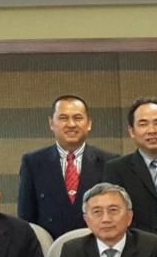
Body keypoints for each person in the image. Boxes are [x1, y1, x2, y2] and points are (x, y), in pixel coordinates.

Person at [101, 97, 157, 255]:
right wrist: (154, 244)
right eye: (143, 124)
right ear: (132, 131)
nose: (152, 130)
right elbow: (117, 214)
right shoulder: (116, 169)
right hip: (138, 253)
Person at [16, 95, 117, 237]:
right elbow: (26, 217)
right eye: (63, 118)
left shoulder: (111, 162)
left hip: (97, 246)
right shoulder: (33, 162)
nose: (71, 124)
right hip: (50, 250)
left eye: (78, 118)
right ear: (51, 123)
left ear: (89, 124)